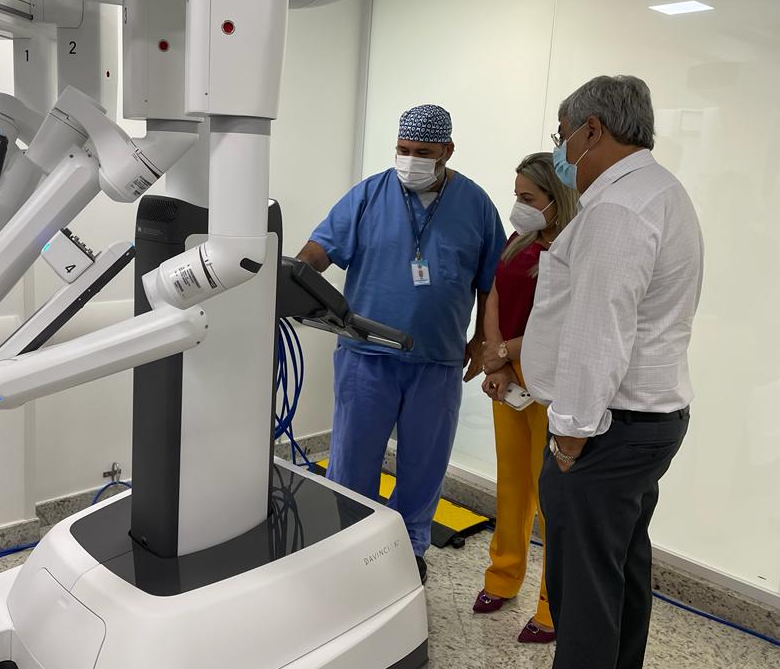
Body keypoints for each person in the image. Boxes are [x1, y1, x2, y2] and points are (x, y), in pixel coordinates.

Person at [522, 75, 704, 669]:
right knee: (618, 574)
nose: (560, 151)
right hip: (642, 420)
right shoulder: (659, 190)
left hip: (607, 428)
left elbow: (598, 329)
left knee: (584, 596)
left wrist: (570, 436)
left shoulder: (619, 210)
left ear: (592, 130)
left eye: (562, 136)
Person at [297, 104, 506, 583]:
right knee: (353, 459)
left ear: (447, 151)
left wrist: (484, 340)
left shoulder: (475, 206)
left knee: (423, 465)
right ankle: (347, 542)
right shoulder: (368, 195)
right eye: (403, 149)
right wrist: (292, 275)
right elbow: (319, 250)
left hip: (438, 360)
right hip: (366, 356)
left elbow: (492, 281)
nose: (410, 160)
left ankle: (410, 545)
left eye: (423, 152)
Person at [473, 152, 578, 644]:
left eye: (528, 198)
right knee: (512, 484)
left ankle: (552, 606)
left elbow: (558, 324)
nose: (518, 206)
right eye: (516, 195)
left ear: (557, 200)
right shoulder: (520, 239)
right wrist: (496, 361)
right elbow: (495, 292)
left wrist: (503, 353)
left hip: (551, 379)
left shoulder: (575, 249)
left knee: (552, 500)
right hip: (508, 372)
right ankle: (503, 575)